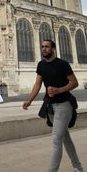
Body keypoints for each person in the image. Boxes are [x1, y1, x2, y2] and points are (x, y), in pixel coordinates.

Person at [22, 40, 83, 172]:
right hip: (50, 106)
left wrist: (58, 90)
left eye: (47, 47)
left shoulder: (63, 64)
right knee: (65, 138)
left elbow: (74, 83)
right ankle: (78, 167)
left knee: (56, 140)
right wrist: (29, 100)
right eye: (42, 47)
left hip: (64, 105)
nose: (44, 49)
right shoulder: (41, 65)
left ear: (53, 49)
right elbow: (37, 84)